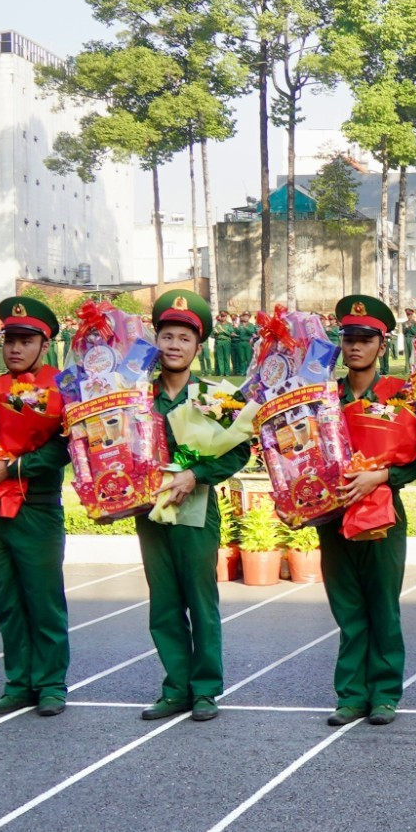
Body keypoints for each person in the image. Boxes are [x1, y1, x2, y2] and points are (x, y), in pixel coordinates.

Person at [317, 296, 416, 728]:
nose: (355, 347)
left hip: (383, 514)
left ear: (382, 345)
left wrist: (382, 476)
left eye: (365, 339)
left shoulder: (402, 396)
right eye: (349, 338)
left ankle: (384, 693)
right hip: (334, 513)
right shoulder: (324, 396)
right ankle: (350, 695)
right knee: (347, 605)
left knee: (382, 604)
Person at [139, 291, 251, 723]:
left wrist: (196, 473)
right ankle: (175, 688)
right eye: (167, 336)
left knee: (201, 603)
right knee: (163, 603)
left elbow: (241, 450)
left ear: (198, 347)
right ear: (156, 341)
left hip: (197, 510)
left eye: (184, 338)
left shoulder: (213, 395)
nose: (174, 345)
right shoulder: (138, 396)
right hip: (150, 513)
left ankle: (205, 689)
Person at [0, 297, 73, 717]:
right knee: (7, 601)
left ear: (44, 344)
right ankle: (18, 682)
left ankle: (50, 684)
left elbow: (63, 449)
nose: (14, 348)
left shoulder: (61, 389)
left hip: (36, 505)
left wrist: (12, 467)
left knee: (43, 599)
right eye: (9, 340)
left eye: (25, 340)